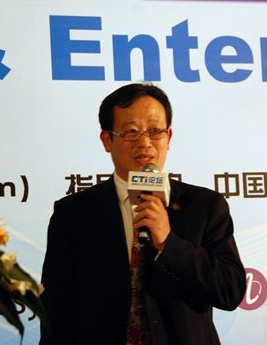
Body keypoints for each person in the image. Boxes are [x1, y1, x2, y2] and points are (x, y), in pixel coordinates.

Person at [40, 83, 246, 345]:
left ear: (168, 138)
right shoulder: (74, 213)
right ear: (107, 140)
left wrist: (169, 243)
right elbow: (56, 309)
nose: (145, 142)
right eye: (131, 132)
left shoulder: (205, 206)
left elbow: (230, 291)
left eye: (155, 131)